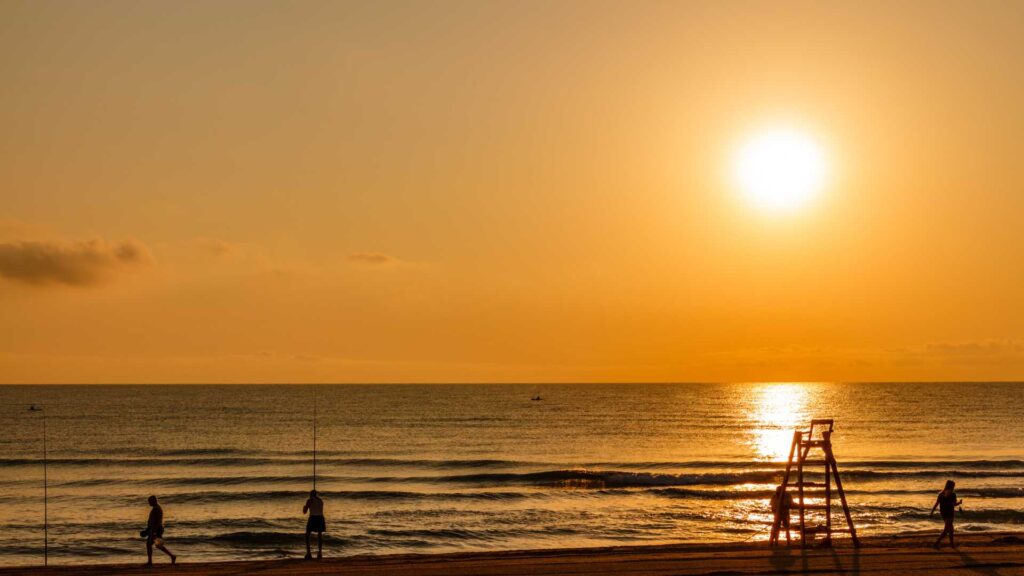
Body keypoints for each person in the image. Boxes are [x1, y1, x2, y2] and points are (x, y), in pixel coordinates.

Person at [143, 495, 176, 566]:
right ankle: (172, 556)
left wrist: (154, 531)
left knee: (150, 544)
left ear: (153, 501)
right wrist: (147, 530)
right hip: (155, 529)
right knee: (157, 545)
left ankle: (150, 562)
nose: (149, 503)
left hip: (156, 529)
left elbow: (157, 522)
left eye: (150, 501)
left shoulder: (156, 509)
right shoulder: (156, 508)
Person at [931, 479, 963, 549]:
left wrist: (932, 512)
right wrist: (960, 503)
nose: (954, 487)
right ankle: (936, 543)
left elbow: (936, 504)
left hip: (944, 513)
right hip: (950, 513)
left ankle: (952, 545)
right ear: (951, 486)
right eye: (953, 486)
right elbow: (954, 504)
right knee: (947, 530)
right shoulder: (953, 494)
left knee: (950, 529)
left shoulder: (941, 494)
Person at [303, 489, 326, 559]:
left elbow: (304, 511)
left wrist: (305, 506)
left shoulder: (309, 500)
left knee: (307, 535)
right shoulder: (320, 500)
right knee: (319, 535)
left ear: (311, 494)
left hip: (313, 518)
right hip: (321, 518)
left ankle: (309, 553)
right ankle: (320, 553)